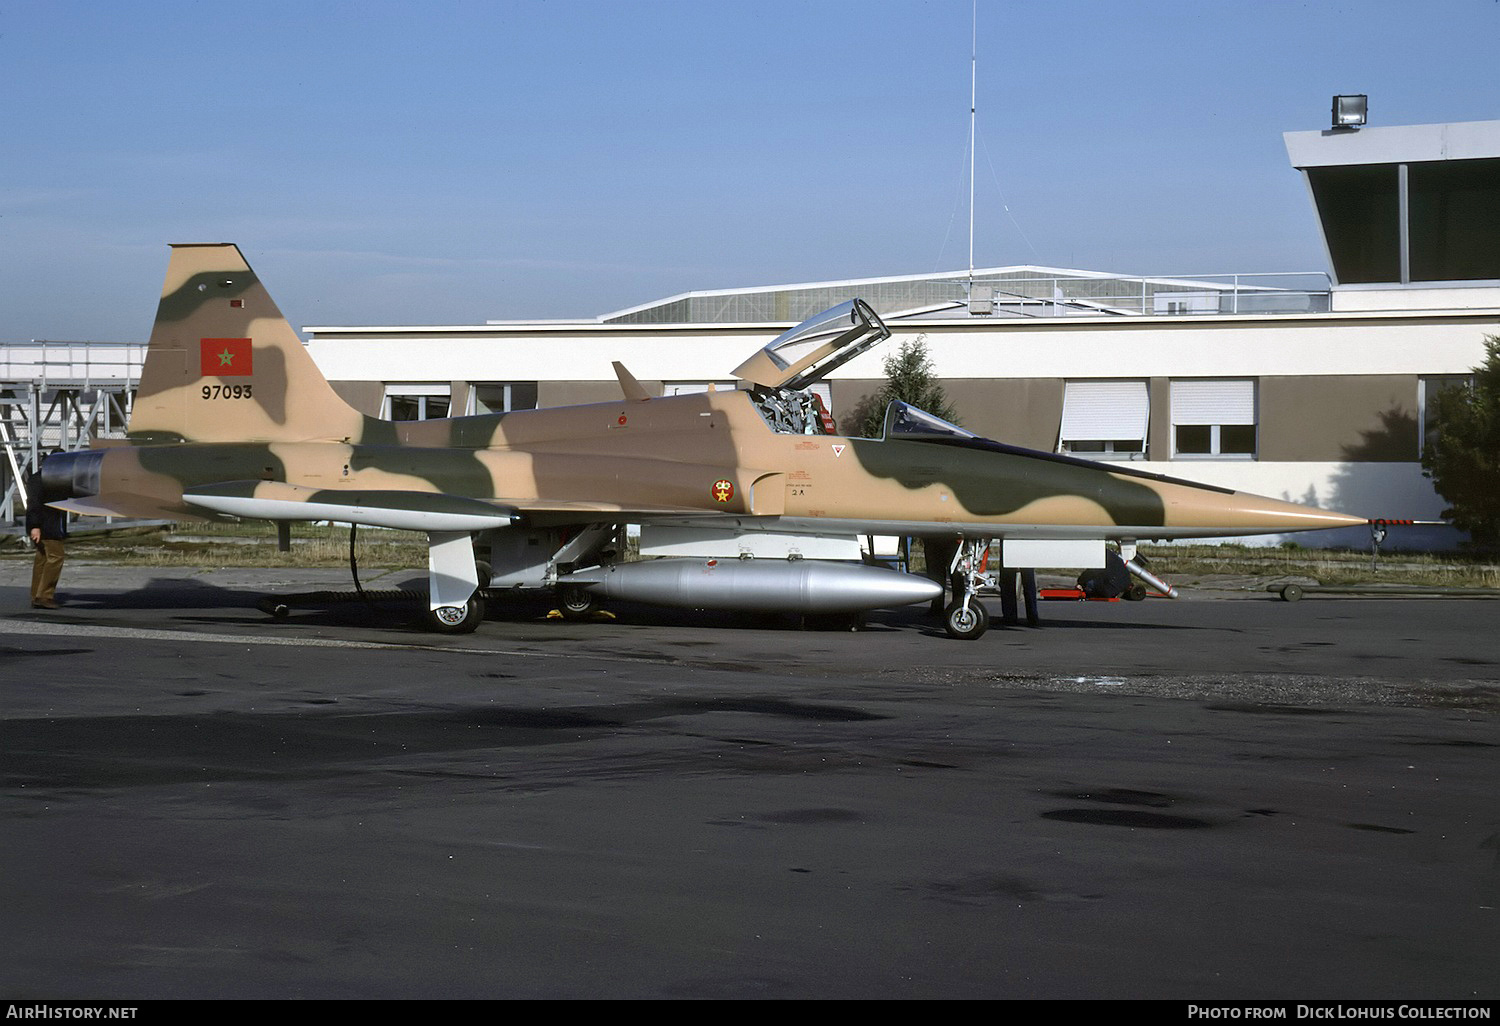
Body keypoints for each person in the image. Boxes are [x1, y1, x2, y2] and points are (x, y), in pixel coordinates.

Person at [25, 461, 68, 609]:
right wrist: (35, 526)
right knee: (56, 556)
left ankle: (37, 594)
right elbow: (34, 504)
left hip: (47, 525)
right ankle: (44, 595)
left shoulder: (53, 478)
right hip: (45, 526)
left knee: (42, 558)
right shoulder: (41, 480)